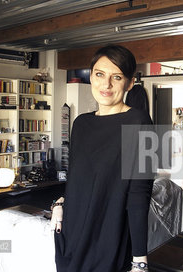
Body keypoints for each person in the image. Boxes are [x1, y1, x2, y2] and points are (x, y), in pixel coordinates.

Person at [51, 45, 154, 272]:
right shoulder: (80, 123)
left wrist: (139, 261)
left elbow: (139, 195)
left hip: (107, 241)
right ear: (91, 76)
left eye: (116, 77)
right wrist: (60, 203)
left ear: (128, 83)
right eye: (99, 74)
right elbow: (77, 180)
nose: (106, 85)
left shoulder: (139, 122)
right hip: (70, 235)